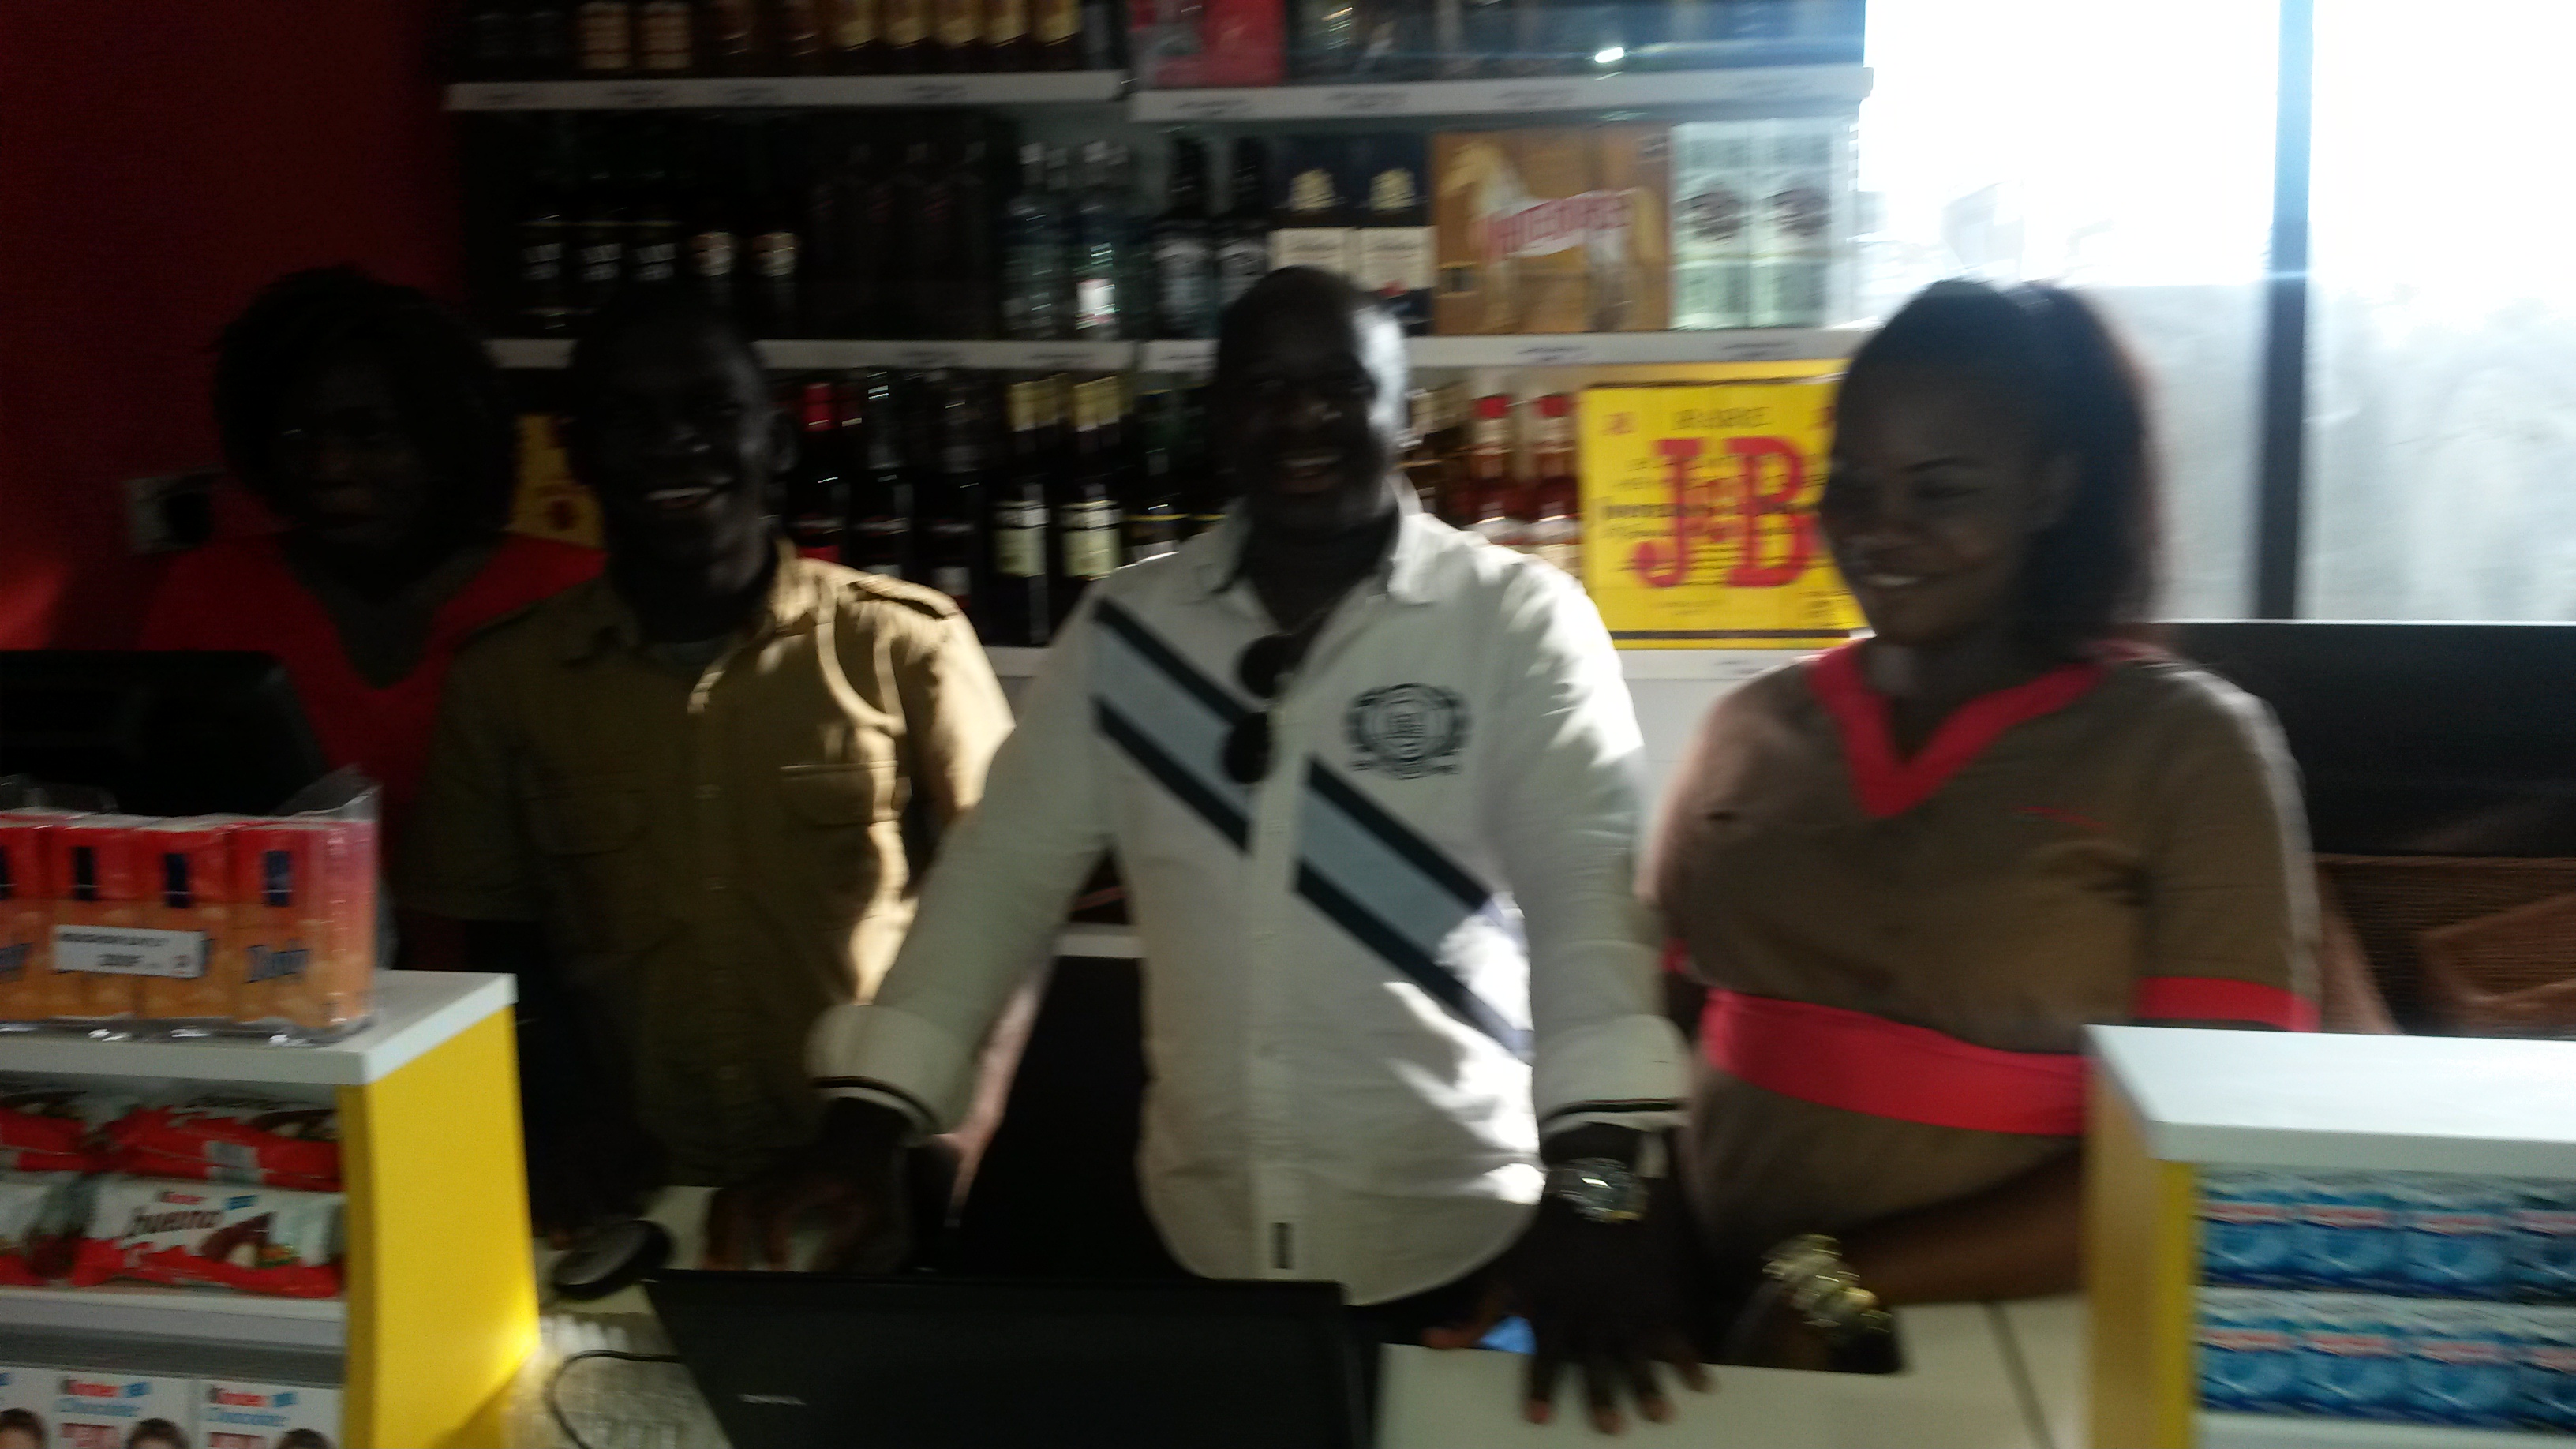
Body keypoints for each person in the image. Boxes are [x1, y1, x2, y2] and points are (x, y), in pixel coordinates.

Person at [714, 268, 1702, 1433]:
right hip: (1197, 1247)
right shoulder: (1129, 631)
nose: (1302, 420)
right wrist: (864, 1130)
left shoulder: (1515, 620)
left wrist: (1599, 1194)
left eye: (1340, 389)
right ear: (1219, 417)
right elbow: (994, 884)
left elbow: (1589, 911)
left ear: (1403, 413)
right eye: (1266, 390)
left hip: (1461, 1243)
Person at [1647, 280, 2317, 1365]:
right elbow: (1654, 1036)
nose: (1880, 529)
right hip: (1721, 1345)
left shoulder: (2187, 748)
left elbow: (2219, 1134)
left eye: (1940, 491)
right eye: (1851, 483)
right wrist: (1634, 1245)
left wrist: (1832, 1284)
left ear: (2051, 489)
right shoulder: (1752, 729)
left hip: (2014, 1358)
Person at [399, 286, 1010, 1234]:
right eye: (628, 418)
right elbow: (496, 945)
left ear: (777, 440)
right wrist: (559, 1120)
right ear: (575, 450)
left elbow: (1006, 922)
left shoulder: (904, 648)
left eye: (712, 411)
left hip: (867, 1180)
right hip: (633, 1197)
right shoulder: (506, 682)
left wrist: (941, 1146)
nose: (674, 444)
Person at [140, 268, 601, 832]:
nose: (328, 467)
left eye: (370, 435)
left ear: (448, 439)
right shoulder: (211, 593)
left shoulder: (572, 593)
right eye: (297, 437)